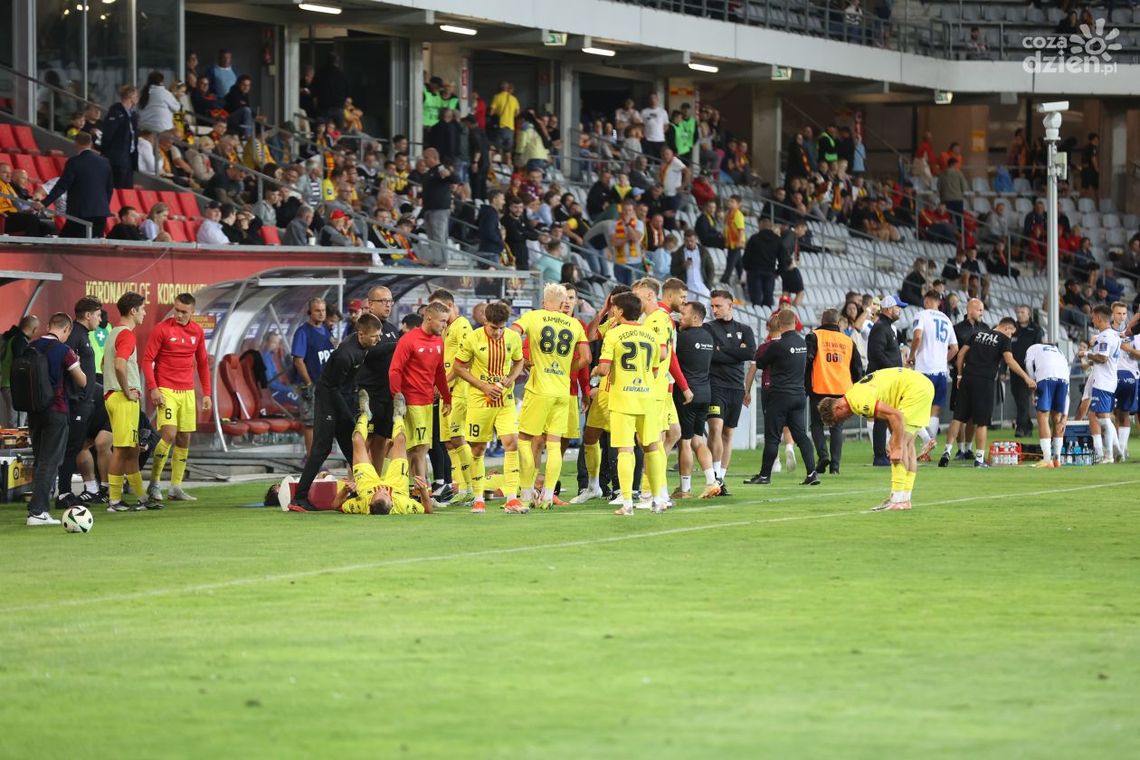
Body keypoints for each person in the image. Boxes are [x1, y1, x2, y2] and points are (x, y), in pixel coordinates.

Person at [288, 314, 381, 511]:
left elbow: (346, 385)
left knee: (352, 449)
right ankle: (299, 497)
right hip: (328, 401)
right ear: (361, 334)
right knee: (321, 449)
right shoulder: (345, 355)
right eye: (374, 336)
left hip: (341, 398)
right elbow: (332, 388)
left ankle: (366, 490)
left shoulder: (363, 347)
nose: (378, 340)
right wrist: (348, 415)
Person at [511, 283, 590, 511]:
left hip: (539, 389)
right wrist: (566, 369)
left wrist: (521, 360)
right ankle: (546, 496)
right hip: (562, 391)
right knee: (554, 444)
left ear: (546, 302)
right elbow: (585, 358)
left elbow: (513, 333)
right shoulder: (574, 324)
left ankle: (525, 495)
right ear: (562, 302)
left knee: (525, 440)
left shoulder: (534, 317)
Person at [818, 368, 936, 511]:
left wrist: (896, 445)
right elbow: (888, 415)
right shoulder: (854, 394)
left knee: (899, 445)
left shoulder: (858, 402)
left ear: (837, 408)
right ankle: (905, 499)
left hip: (915, 390)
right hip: (920, 385)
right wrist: (895, 437)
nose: (842, 421)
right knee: (908, 446)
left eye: (837, 419)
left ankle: (897, 500)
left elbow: (896, 415)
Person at [592, 292, 664, 516]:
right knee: (652, 448)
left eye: (614, 308)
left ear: (621, 311)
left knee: (625, 449)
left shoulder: (614, 335)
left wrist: (595, 370)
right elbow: (654, 368)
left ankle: (627, 503)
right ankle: (659, 499)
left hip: (623, 398)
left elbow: (604, 369)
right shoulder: (651, 335)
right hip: (647, 397)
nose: (612, 311)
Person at [453, 301, 525, 513]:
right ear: (485, 320)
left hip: (505, 400)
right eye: (494, 328)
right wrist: (483, 386)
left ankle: (512, 498)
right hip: (479, 400)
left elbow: (519, 361)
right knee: (478, 448)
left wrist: (511, 378)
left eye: (501, 327)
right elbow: (458, 367)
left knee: (511, 443)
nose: (498, 332)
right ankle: (478, 498)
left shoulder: (512, 337)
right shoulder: (472, 338)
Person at [286, 410, 432, 515]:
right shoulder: (403, 505)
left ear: (369, 503)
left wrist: (345, 491)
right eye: (385, 494)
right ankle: (399, 415)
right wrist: (424, 491)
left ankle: (364, 414)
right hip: (397, 484)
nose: (381, 489)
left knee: (356, 440)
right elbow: (427, 509)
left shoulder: (362, 506)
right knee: (400, 440)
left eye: (378, 494)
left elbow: (335, 506)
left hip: (367, 484)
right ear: (392, 502)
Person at [142, 293, 212, 502]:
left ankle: (175, 487)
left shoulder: (197, 331)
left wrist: (206, 393)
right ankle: (154, 484)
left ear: (192, 312)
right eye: (177, 310)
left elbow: (202, 363)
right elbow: (147, 360)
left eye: (184, 311)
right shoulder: (162, 329)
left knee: (184, 438)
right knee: (169, 434)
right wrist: (153, 388)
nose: (179, 314)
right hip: (166, 390)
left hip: (188, 391)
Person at [940, 318, 1036, 468]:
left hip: (967, 377)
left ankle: (946, 452)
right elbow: (1009, 361)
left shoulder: (977, 334)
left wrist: (959, 375)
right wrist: (1026, 377)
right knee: (982, 422)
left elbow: (960, 354)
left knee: (958, 417)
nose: (1011, 336)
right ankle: (979, 458)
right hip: (984, 381)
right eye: (1011, 332)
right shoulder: (1004, 339)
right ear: (1007, 328)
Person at [23, 313, 87, 526]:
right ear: (67, 330)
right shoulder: (64, 351)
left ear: (49, 326)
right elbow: (82, 380)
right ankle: (37, 511)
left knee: (40, 459)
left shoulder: (31, 347)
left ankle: (36, 507)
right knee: (50, 461)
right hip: (56, 410)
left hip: (33, 411)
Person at [104, 292, 161, 512]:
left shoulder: (113, 333)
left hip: (114, 396)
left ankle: (141, 498)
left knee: (131, 450)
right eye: (143, 308)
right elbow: (119, 364)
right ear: (133, 311)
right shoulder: (127, 335)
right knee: (121, 450)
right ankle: (114, 501)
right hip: (122, 398)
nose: (145, 313)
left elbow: (104, 363)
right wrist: (127, 391)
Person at [751, 309, 820, 486]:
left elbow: (760, 363)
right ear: (795, 323)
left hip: (780, 395)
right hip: (798, 395)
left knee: (773, 436)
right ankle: (812, 473)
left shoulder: (777, 345)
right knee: (801, 435)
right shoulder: (803, 343)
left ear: (780, 324)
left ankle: (765, 475)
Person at [388, 302, 452, 488]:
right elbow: (395, 370)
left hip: (428, 403)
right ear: (429, 318)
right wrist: (397, 397)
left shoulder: (439, 341)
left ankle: (414, 488)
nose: (444, 325)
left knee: (422, 447)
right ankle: (405, 486)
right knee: (413, 447)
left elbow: (439, 372)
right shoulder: (409, 340)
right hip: (411, 401)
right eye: (442, 321)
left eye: (446, 322)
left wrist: (447, 398)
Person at [57, 297, 110, 508]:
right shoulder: (75, 336)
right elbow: (64, 366)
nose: (99, 318)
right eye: (97, 314)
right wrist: (75, 395)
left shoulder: (83, 336)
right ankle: (64, 494)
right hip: (76, 403)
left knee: (76, 446)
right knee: (72, 449)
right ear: (87, 315)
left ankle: (67, 492)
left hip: (84, 402)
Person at [706, 290, 756, 493]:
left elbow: (750, 352)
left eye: (718, 306)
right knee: (715, 429)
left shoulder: (744, 329)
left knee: (728, 433)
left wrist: (722, 351)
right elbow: (712, 356)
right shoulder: (707, 328)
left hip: (736, 387)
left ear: (730, 306)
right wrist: (736, 353)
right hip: (715, 385)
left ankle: (722, 478)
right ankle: (714, 477)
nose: (714, 309)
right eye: (712, 306)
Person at [430, 289, 475, 505]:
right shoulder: (445, 329)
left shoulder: (463, 325)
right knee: (448, 441)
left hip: (459, 391)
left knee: (458, 438)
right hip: (447, 392)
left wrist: (443, 382)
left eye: (440, 307)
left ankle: (471, 487)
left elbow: (464, 361)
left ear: (450, 304)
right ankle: (461, 487)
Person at [806, 308, 863, 475]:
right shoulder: (847, 341)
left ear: (822, 322)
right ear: (838, 323)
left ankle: (823, 455)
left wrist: (805, 386)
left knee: (816, 424)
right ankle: (835, 467)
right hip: (841, 390)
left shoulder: (814, 336)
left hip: (819, 388)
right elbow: (857, 369)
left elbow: (807, 362)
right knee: (837, 427)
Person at [672, 301, 720, 499]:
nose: (679, 317)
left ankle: (685, 489)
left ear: (694, 318)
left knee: (685, 442)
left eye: (683, 314)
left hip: (687, 394)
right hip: (705, 393)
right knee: (699, 440)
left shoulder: (682, 339)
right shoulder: (709, 337)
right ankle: (711, 481)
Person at [354, 286, 401, 472]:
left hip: (386, 392)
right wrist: (396, 345)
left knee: (381, 439)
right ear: (371, 304)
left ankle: (377, 481)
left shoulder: (391, 329)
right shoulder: (364, 327)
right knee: (364, 439)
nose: (388, 305)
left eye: (390, 301)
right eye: (383, 301)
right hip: (368, 392)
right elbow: (367, 353)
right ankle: (356, 482)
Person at [908, 291, 959, 459]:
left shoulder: (921, 315)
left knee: (915, 410)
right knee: (935, 411)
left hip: (924, 370)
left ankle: (927, 440)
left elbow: (917, 336)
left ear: (927, 301)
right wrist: (942, 361)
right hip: (940, 371)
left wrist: (912, 355)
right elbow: (954, 348)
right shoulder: (946, 319)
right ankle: (927, 449)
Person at [36, 133, 113, 239]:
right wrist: (103, 206)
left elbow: (62, 185)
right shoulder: (105, 162)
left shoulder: (74, 162)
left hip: (80, 212)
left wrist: (45, 203)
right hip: (100, 212)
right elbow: (109, 188)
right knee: (94, 247)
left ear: (76, 143)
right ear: (90, 143)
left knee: (67, 245)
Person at [948, 297, 989, 460]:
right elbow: (952, 351)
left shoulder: (985, 328)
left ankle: (968, 448)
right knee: (959, 414)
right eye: (979, 309)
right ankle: (959, 449)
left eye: (982, 310)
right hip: (961, 377)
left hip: (979, 377)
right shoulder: (956, 329)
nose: (982, 312)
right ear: (969, 310)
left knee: (974, 415)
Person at [866, 294, 905, 466]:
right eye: (898, 307)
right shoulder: (881, 327)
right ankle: (879, 455)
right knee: (882, 418)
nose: (900, 310)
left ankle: (885, 452)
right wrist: (892, 369)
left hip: (886, 377)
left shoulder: (885, 326)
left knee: (887, 417)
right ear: (889, 309)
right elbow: (877, 353)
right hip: (882, 377)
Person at [291, 297, 334, 453]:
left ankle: (319, 456)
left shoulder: (327, 331)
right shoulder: (303, 332)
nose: (321, 314)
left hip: (326, 384)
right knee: (311, 423)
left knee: (324, 422)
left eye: (323, 310)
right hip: (311, 384)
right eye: (317, 311)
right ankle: (310, 458)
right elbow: (298, 360)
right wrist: (308, 384)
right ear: (309, 312)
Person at [1081, 305, 1122, 463]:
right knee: (1098, 415)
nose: (1092, 320)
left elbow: (1103, 358)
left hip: (1103, 381)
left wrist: (1086, 354)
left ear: (1099, 318)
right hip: (1108, 379)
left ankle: (1109, 454)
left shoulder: (1105, 337)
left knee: (1103, 417)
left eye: (1093, 317)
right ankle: (1112, 451)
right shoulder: (1112, 335)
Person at [1024, 342, 1071, 468]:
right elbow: (1068, 393)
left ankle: (1046, 459)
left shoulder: (1033, 348)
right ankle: (1057, 459)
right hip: (1064, 379)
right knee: (1058, 419)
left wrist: (1032, 381)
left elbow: (1029, 363)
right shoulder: (1059, 352)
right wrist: (1065, 416)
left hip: (1045, 376)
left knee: (1043, 417)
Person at [1010, 305, 1045, 438]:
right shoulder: (1013, 329)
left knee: (1024, 398)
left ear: (1029, 314)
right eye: (1018, 312)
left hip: (1029, 370)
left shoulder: (1036, 330)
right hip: (1014, 369)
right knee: (1019, 398)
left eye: (1022, 312)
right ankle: (1028, 425)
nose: (1019, 314)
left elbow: (1039, 351)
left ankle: (1020, 427)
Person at [1112, 302, 1140, 460]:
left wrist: (1130, 350)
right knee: (1112, 414)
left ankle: (1122, 450)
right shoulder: (1106, 332)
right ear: (1112, 314)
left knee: (1124, 414)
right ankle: (1115, 448)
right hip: (1111, 376)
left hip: (1131, 376)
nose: (1121, 316)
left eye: (1123, 314)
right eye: (1118, 313)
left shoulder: (1135, 334)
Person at [101, 85, 139, 189]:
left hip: (128, 160)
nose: (137, 98)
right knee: (117, 188)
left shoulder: (133, 115)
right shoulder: (116, 113)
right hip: (117, 159)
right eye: (136, 95)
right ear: (130, 96)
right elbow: (108, 135)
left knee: (127, 190)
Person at [743, 217, 781, 307]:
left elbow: (746, 256)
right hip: (770, 273)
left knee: (755, 299)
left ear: (760, 226)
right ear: (771, 227)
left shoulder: (754, 238)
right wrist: (778, 272)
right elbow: (783, 259)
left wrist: (747, 268)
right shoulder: (777, 240)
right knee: (768, 299)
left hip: (755, 272)